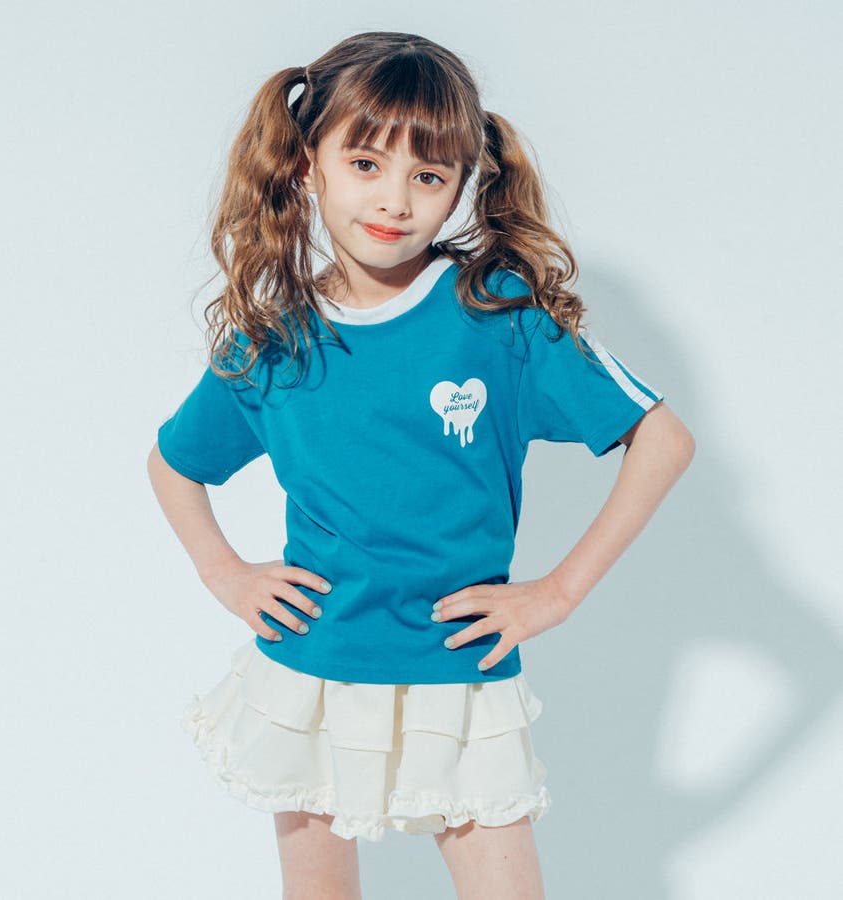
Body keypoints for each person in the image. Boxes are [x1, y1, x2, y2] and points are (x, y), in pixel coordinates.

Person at [147, 30, 695, 900]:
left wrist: (556, 594)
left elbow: (662, 440)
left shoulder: (496, 313)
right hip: (313, 666)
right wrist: (226, 572)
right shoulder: (275, 340)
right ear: (307, 165)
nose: (394, 200)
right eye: (365, 163)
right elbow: (174, 463)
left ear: (462, 187)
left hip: (459, 666)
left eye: (429, 177)